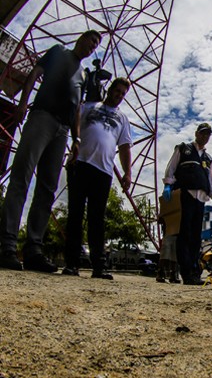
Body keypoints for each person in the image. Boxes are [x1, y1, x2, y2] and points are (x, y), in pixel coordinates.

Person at [0, 30, 102, 272]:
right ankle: (7, 246)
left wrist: (76, 138)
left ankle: (34, 248)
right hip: (42, 116)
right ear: (81, 38)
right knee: (21, 179)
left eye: (96, 44)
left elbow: (77, 108)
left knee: (47, 188)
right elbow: (35, 73)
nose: (92, 46)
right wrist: (23, 103)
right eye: (91, 40)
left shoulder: (84, 74)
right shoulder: (58, 52)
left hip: (63, 130)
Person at [62, 77, 132, 279]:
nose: (118, 96)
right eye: (116, 91)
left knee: (97, 219)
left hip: (103, 171)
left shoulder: (122, 118)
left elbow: (125, 147)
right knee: (75, 214)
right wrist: (75, 142)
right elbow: (74, 120)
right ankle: (72, 264)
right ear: (109, 90)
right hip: (80, 163)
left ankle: (99, 266)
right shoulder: (89, 106)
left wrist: (127, 173)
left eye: (122, 94)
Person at [162, 122, 212, 285]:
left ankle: (194, 271)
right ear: (196, 133)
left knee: (195, 237)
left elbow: (211, 179)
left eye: (208, 134)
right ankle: (186, 272)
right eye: (202, 133)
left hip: (200, 199)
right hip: (185, 195)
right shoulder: (184, 149)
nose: (205, 137)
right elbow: (171, 167)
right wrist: (167, 185)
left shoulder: (208, 159)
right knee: (184, 234)